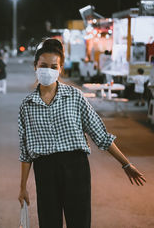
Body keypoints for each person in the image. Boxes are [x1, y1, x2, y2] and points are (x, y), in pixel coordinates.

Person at [18, 39, 146, 228]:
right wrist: (22, 187)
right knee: (49, 222)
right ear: (35, 66)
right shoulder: (27, 106)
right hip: (44, 170)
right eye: (43, 65)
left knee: (79, 222)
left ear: (60, 69)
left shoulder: (75, 97)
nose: (48, 70)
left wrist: (126, 164)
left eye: (54, 66)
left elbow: (100, 135)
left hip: (76, 168)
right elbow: (25, 152)